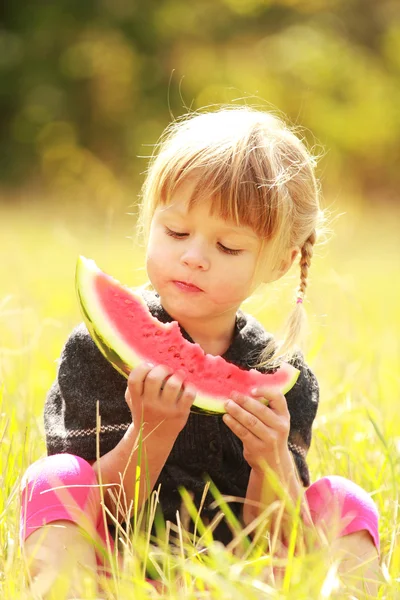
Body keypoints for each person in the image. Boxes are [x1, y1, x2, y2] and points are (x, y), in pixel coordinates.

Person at [20, 106, 381, 597]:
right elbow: (93, 510)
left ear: (281, 262)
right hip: (119, 575)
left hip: (242, 581)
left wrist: (272, 460)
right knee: (54, 478)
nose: (194, 256)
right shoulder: (96, 354)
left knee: (342, 501)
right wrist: (148, 435)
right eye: (175, 232)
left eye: (228, 247)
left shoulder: (283, 378)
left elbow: (273, 534)